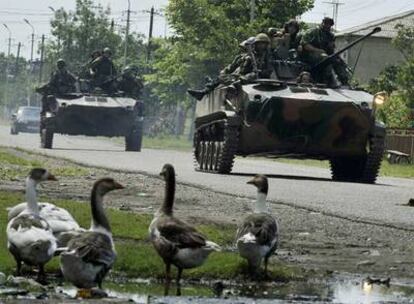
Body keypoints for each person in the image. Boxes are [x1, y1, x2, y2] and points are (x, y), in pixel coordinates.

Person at [301, 17, 350, 87]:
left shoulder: (330, 36)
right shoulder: (313, 32)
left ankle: (344, 81)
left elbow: (331, 51)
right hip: (310, 55)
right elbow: (305, 45)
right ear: (322, 23)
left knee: (338, 60)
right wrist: (317, 50)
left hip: (325, 56)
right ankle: (327, 81)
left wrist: (331, 48)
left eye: (329, 24)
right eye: (326, 24)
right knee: (327, 59)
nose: (327, 26)